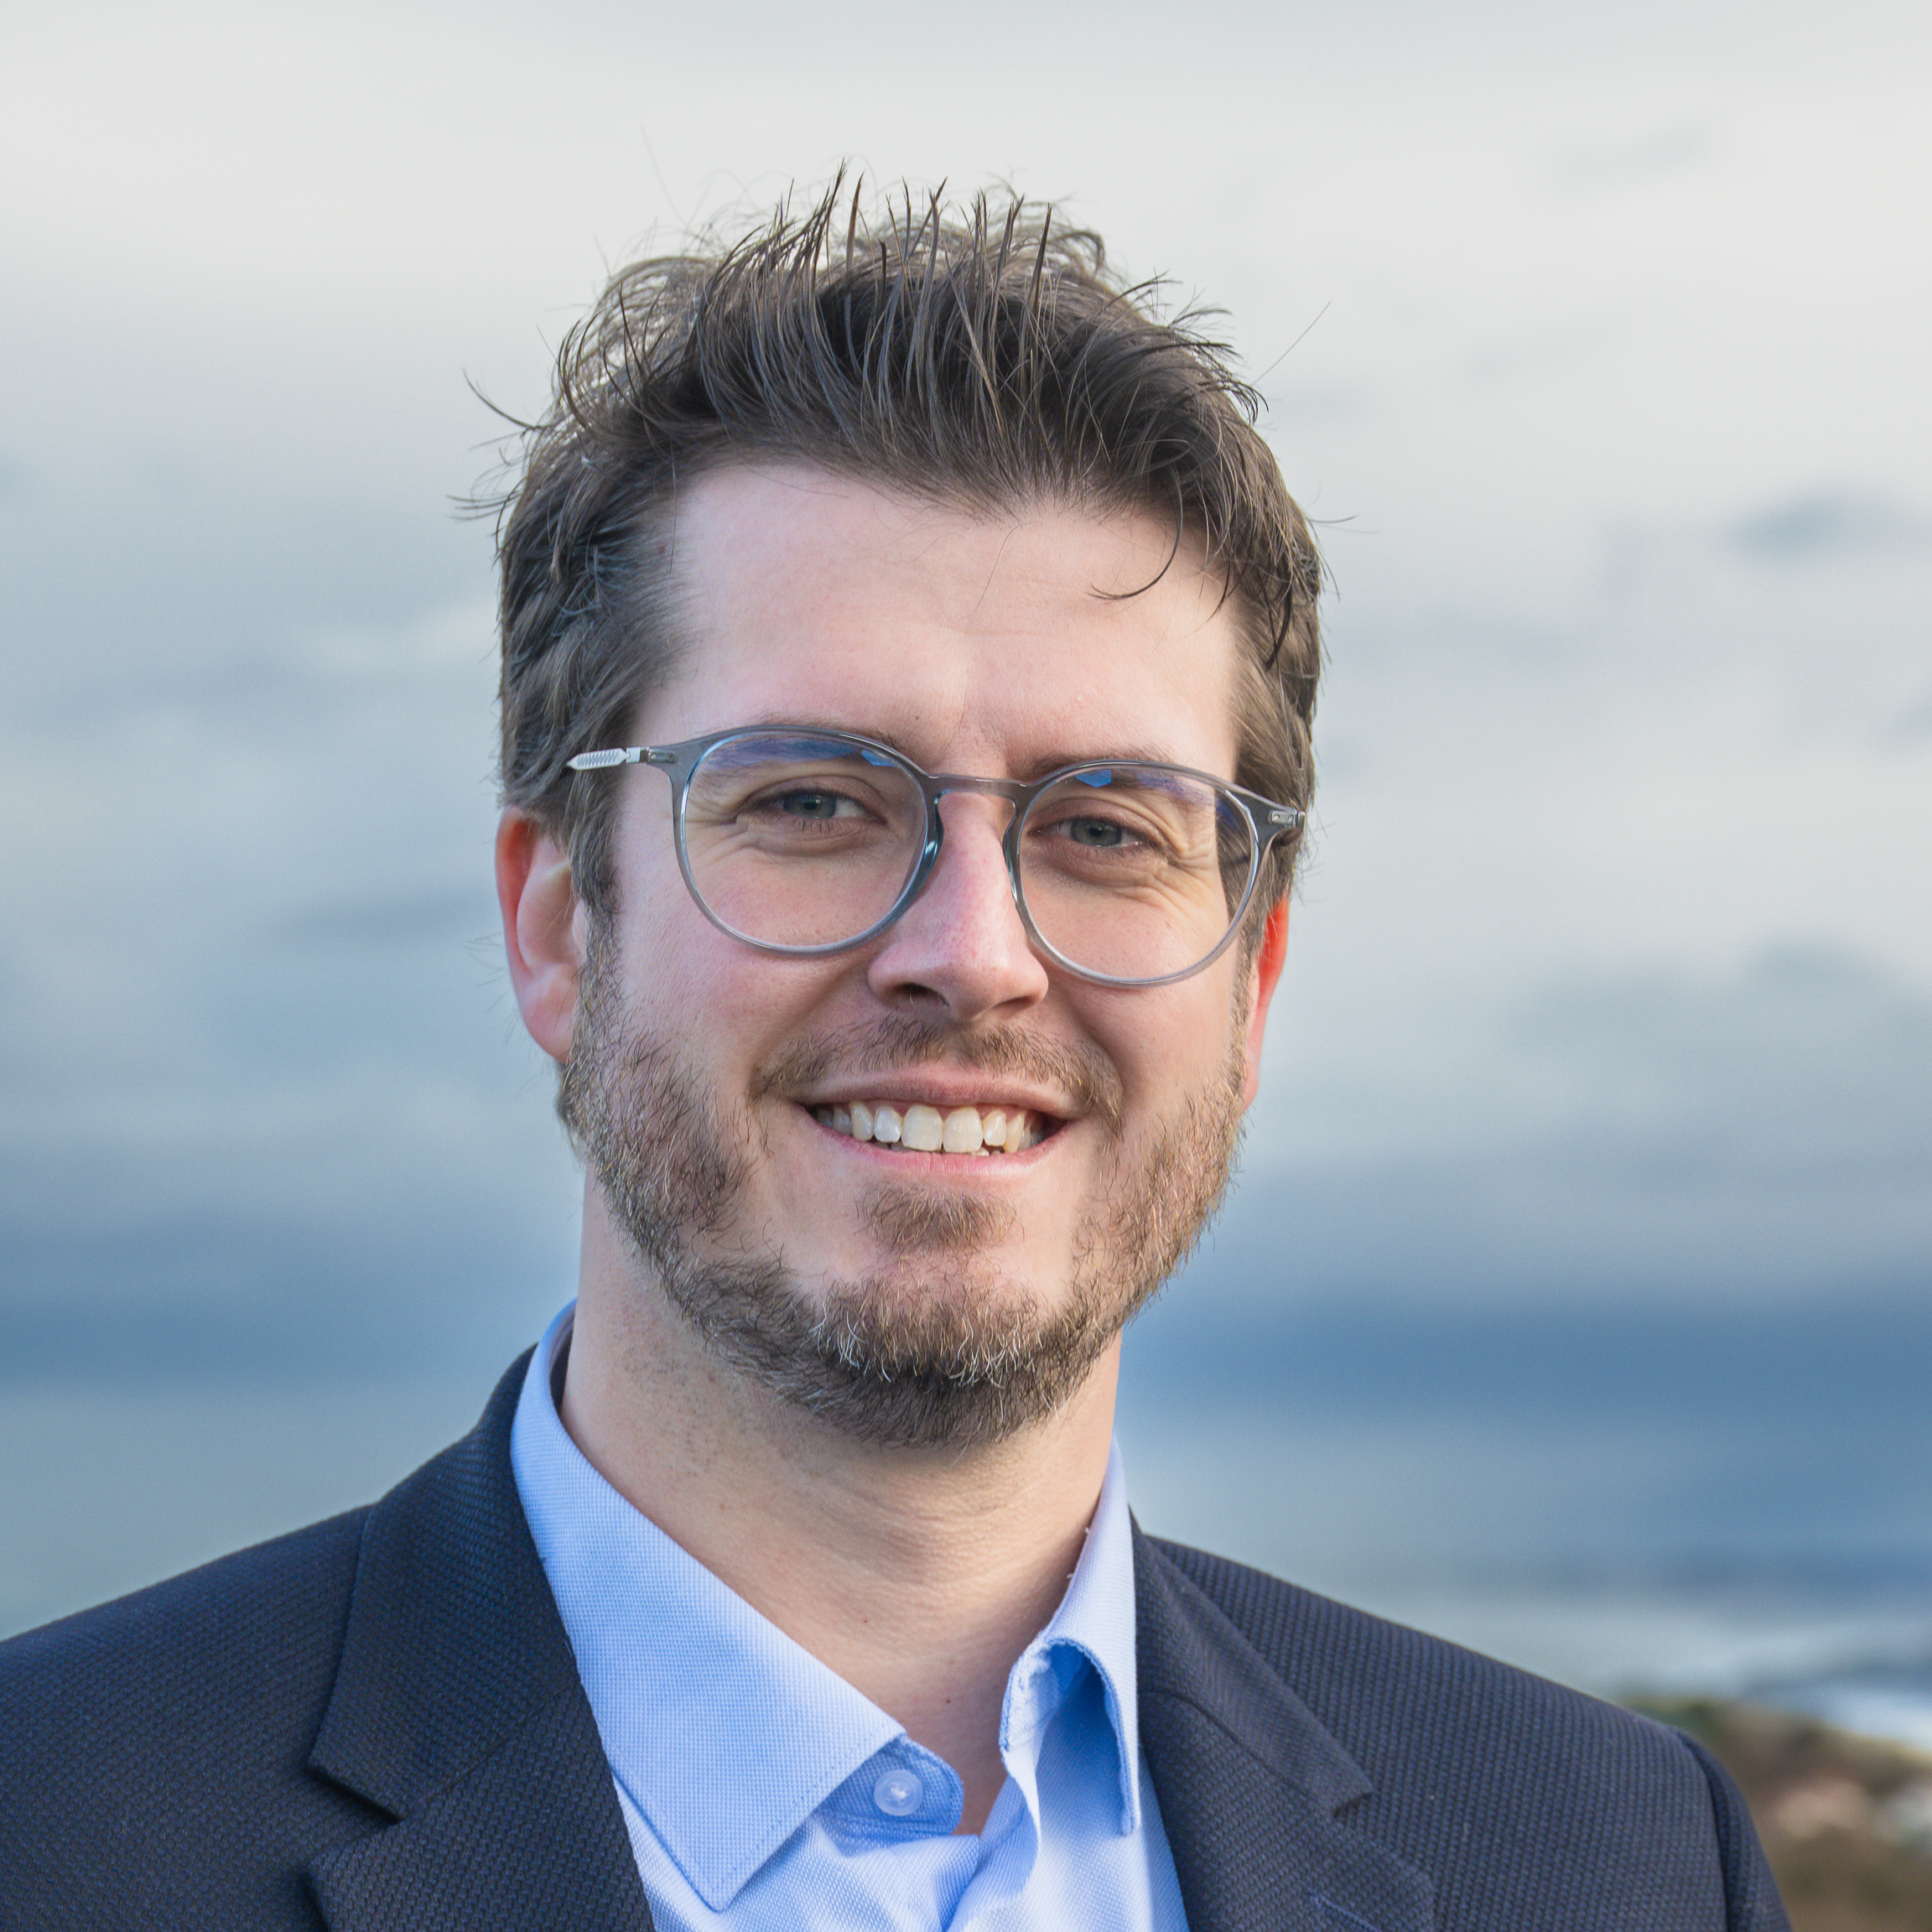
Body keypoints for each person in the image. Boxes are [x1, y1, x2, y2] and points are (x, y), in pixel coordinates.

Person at [0, 183, 1787, 1931]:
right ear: (558, 925)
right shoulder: (47, 1831)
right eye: (811, 802)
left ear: (1253, 983)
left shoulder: (1618, 1864)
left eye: (1107, 827)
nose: (973, 955)